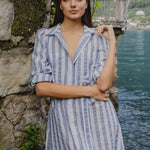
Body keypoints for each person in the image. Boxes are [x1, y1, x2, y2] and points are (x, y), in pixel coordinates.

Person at [29, 0, 124, 149]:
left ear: (86, 4)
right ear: (60, 5)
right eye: (67, 0)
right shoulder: (45, 37)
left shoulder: (98, 37)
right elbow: (42, 88)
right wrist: (90, 91)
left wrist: (112, 42)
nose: (73, 4)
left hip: (100, 124)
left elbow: (104, 84)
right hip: (63, 123)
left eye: (79, 0)